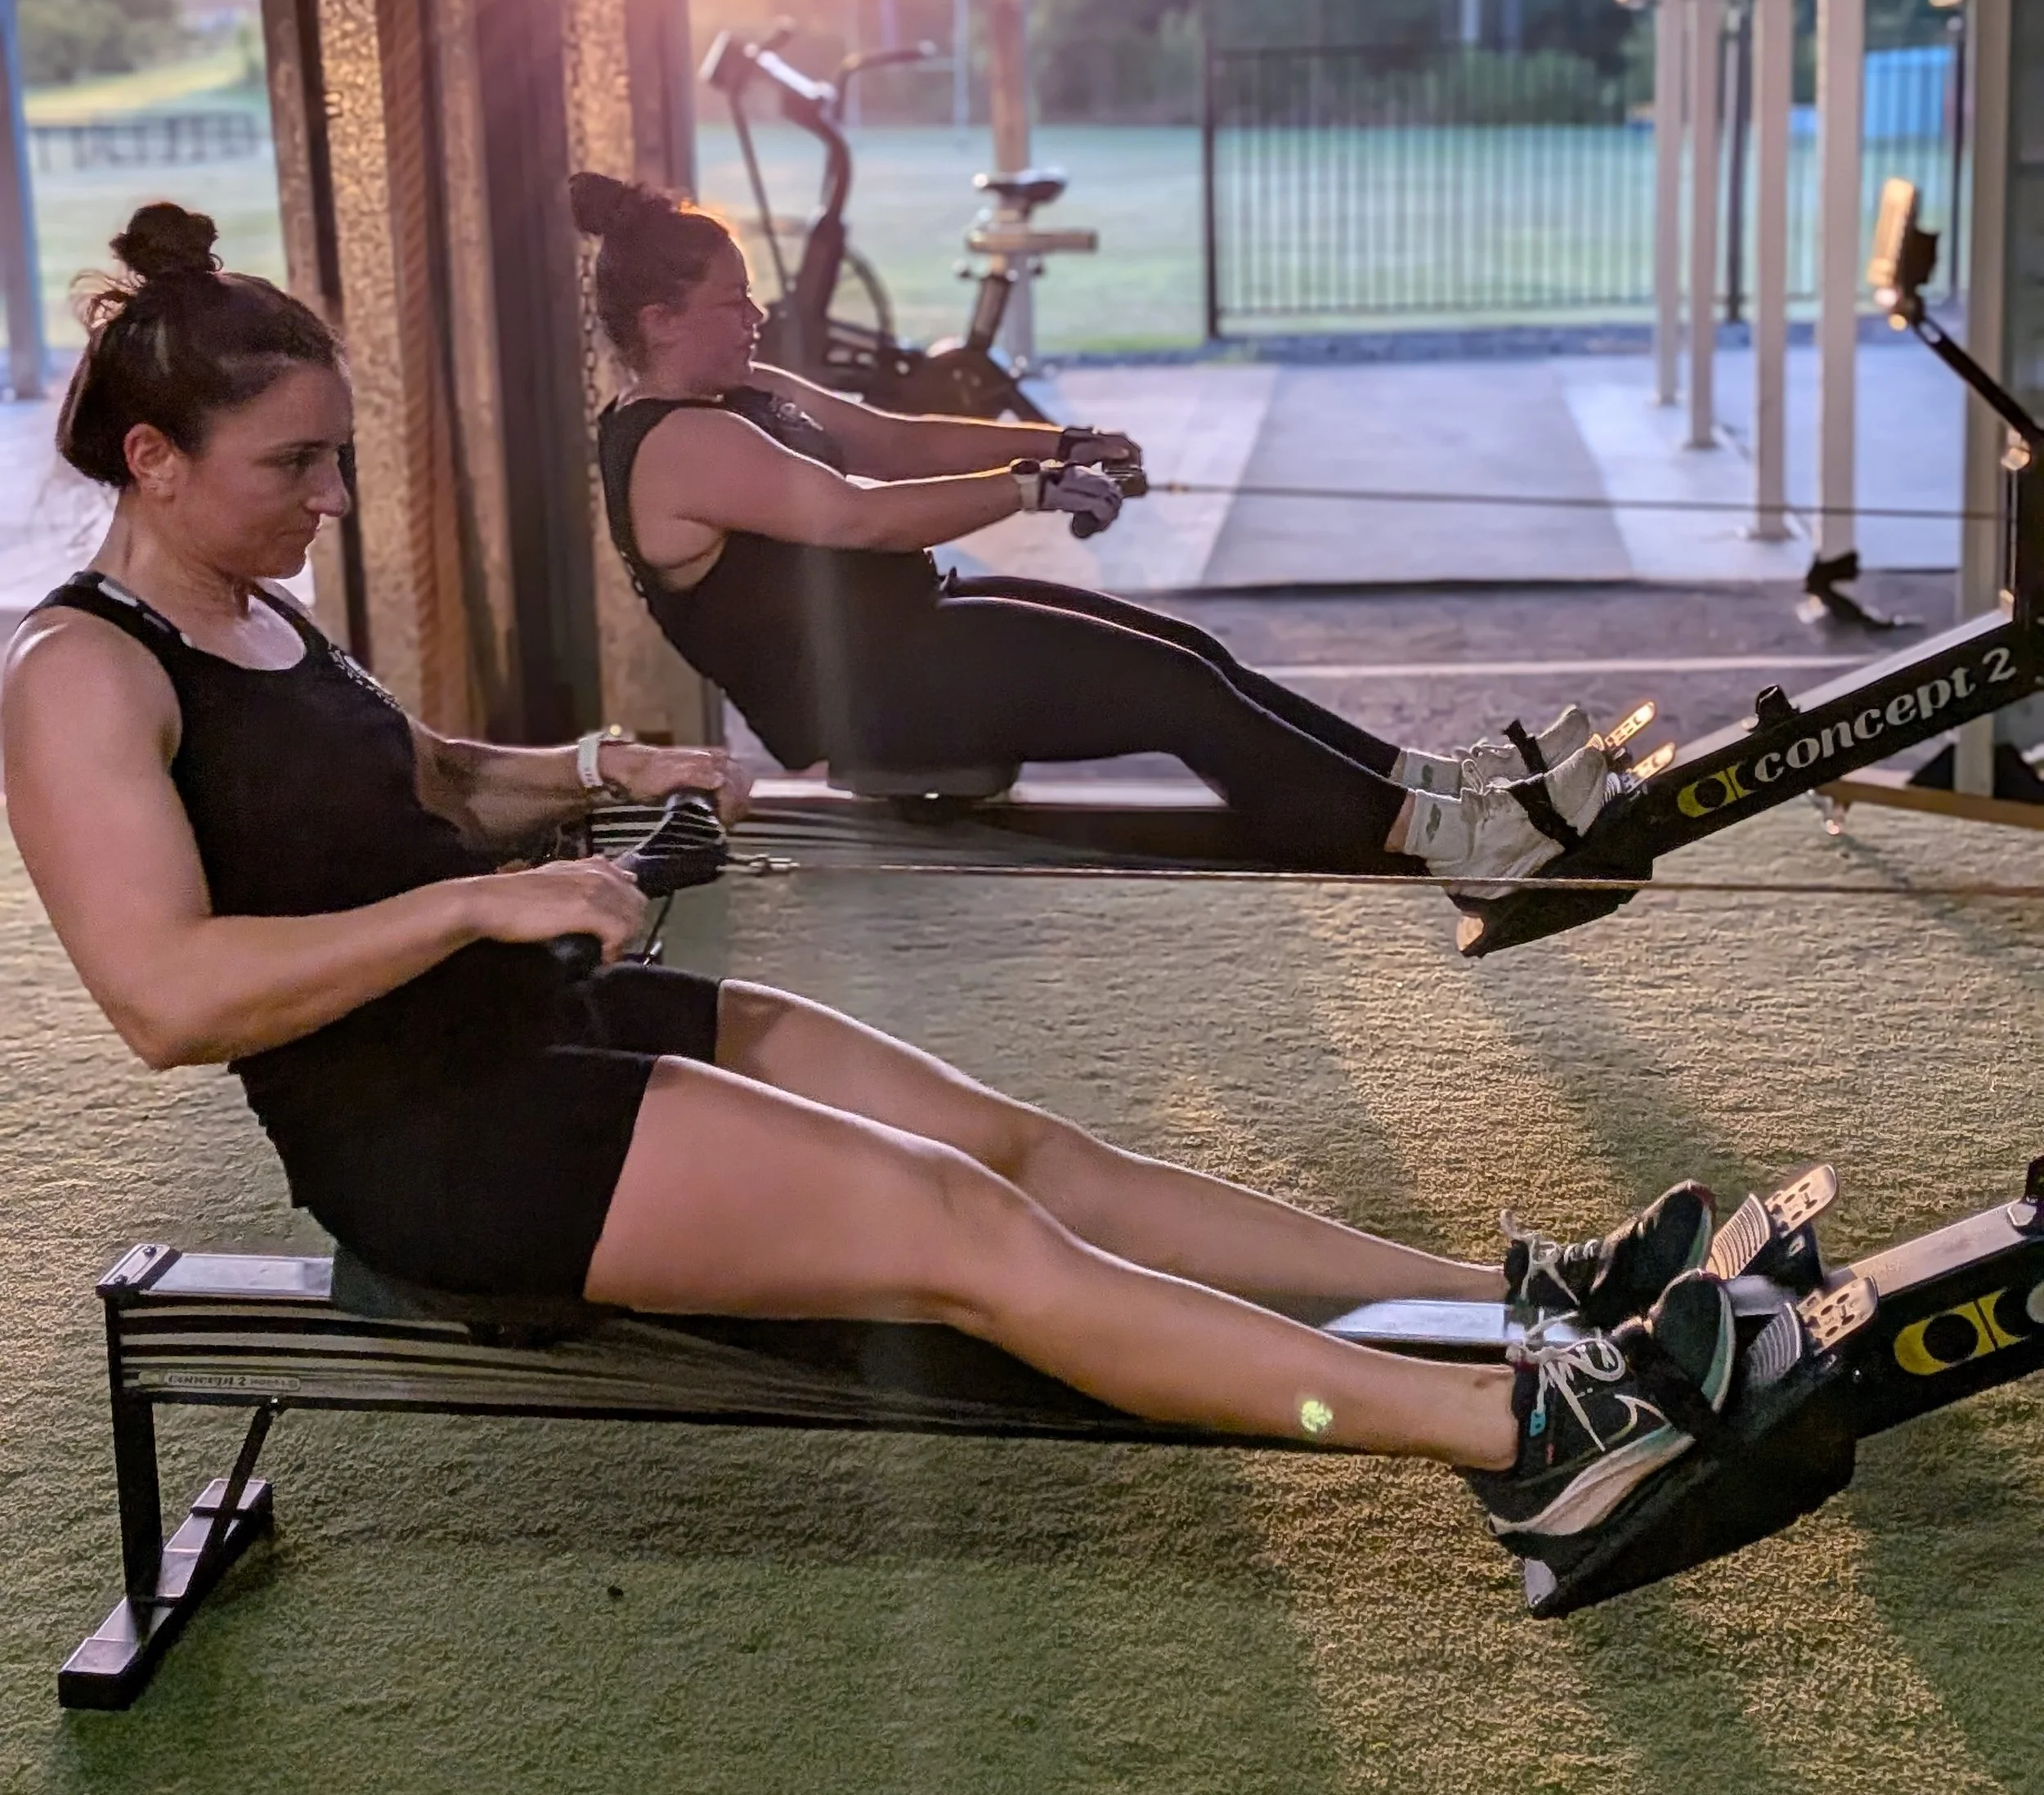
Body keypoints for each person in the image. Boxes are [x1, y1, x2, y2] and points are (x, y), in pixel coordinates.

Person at [2, 202, 1737, 1570]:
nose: (330, 497)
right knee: (975, 1237)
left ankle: (1508, 1296)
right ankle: (1527, 1438)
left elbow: (429, 774)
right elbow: (166, 997)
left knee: (1035, 1154)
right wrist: (470, 904)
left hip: (543, 1026)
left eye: (334, 456)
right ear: (153, 459)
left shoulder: (255, 606)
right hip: (434, 1134)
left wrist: (600, 765)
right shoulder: (81, 675)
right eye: (291, 465)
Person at [572, 172, 1620, 886]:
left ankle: (1440, 788)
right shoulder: (678, 445)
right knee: (1177, 696)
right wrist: (1030, 489)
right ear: (661, 322)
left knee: (1191, 653)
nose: (754, 317)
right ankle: (1460, 847)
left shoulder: (739, 391)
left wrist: (1059, 440)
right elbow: (865, 517)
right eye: (732, 302)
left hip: (911, 634)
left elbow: (891, 440)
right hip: (880, 700)